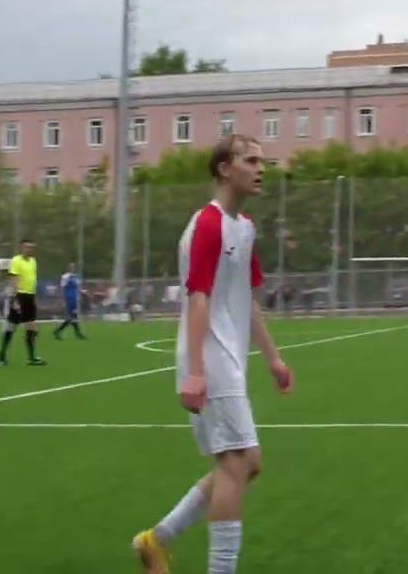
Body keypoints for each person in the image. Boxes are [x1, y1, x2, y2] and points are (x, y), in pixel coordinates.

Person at [132, 135, 294, 574]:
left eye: (262, 161)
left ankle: (156, 540)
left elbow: (247, 298)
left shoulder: (245, 226)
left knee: (246, 463)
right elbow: (197, 297)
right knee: (236, 463)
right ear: (225, 168)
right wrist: (196, 372)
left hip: (229, 360)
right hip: (211, 359)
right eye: (251, 160)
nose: (261, 169)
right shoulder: (207, 224)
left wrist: (273, 358)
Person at [0, 238, 44, 366]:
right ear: (21, 248)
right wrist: (15, 299)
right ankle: (2, 354)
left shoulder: (33, 261)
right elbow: (14, 280)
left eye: (31, 247)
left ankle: (31, 358)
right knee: (11, 327)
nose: (29, 249)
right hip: (20, 296)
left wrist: (34, 297)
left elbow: (32, 280)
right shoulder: (16, 261)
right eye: (27, 247)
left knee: (32, 327)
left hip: (30, 297)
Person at [53, 263, 86, 341]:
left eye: (73, 267)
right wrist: (63, 300)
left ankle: (76, 333)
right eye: (71, 267)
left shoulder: (76, 277)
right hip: (68, 298)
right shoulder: (65, 276)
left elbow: (78, 288)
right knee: (72, 317)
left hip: (74, 299)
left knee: (73, 317)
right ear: (68, 268)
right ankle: (59, 331)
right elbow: (62, 288)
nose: (72, 268)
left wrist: (80, 295)